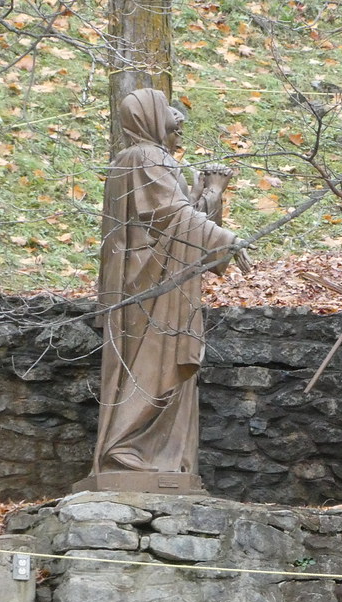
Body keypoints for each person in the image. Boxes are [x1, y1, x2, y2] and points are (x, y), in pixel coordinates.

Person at [84, 88, 247, 486]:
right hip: (152, 283)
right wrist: (224, 229)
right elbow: (170, 217)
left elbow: (169, 219)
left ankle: (151, 455)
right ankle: (129, 451)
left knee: (141, 364)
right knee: (153, 364)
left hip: (134, 281)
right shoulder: (147, 157)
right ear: (154, 123)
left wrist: (205, 196)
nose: (178, 138)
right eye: (175, 127)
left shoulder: (127, 160)